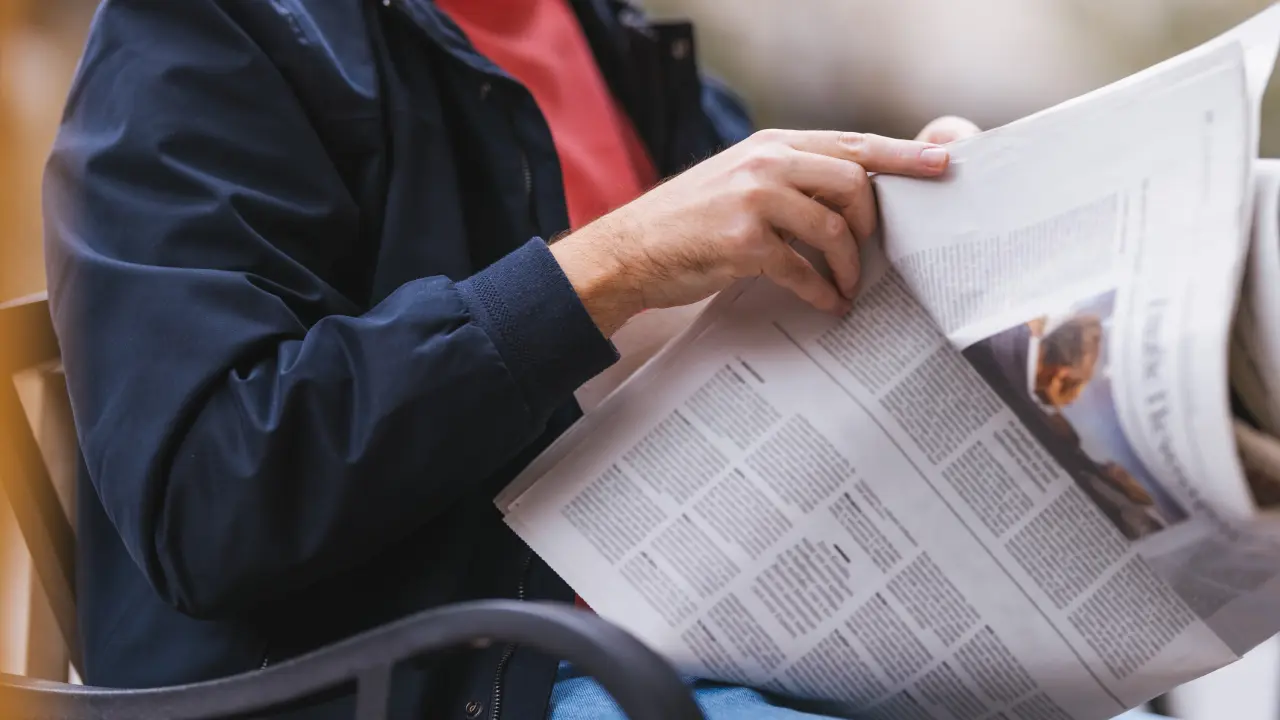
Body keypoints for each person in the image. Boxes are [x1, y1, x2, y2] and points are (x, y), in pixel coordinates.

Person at [43, 1, 1167, 718]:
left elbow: (780, 291)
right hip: (445, 679)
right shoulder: (208, 31)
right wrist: (603, 269)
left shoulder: (609, 42)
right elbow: (209, 492)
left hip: (718, 631)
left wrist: (935, 220)